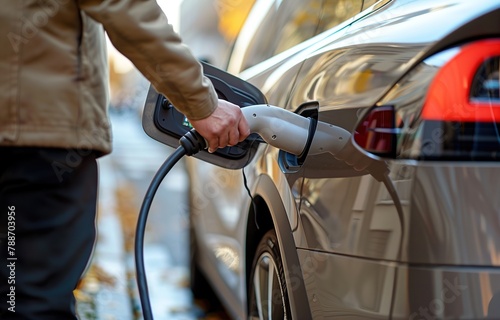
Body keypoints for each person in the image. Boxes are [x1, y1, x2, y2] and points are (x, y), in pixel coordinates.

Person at [0, 0, 250, 319]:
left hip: (30, 129)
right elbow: (126, 7)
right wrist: (202, 102)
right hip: (39, 133)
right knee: (30, 298)